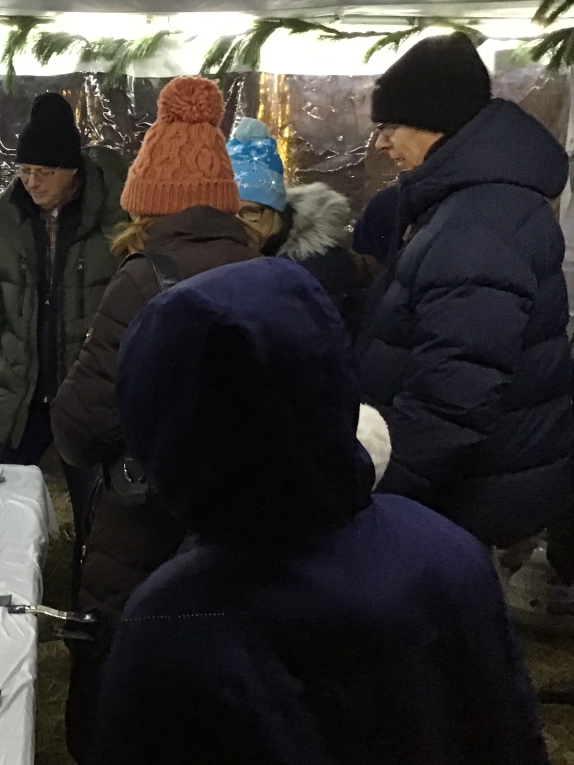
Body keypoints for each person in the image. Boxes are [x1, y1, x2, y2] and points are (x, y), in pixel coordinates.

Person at [94, 257, 549, 765]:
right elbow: (509, 731)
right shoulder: (447, 550)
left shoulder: (176, 618)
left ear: (163, 424)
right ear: (330, 378)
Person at [50, 76, 256, 763]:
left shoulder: (142, 280)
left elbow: (82, 424)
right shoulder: (269, 274)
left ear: (150, 199)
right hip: (239, 534)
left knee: (126, 704)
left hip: (145, 534)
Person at [357, 33, 574, 573]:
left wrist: (379, 484)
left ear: (437, 122)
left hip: (459, 493)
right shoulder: (470, 202)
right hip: (470, 484)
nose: (380, 143)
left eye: (389, 126)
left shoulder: (477, 223)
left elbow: (456, 391)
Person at [0, 92, 126, 531]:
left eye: (44, 172)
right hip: (22, 386)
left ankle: (83, 587)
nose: (32, 182)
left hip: (86, 388)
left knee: (98, 510)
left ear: (73, 170)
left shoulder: (118, 218)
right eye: (25, 170)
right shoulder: (9, 218)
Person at [226, 117, 363, 334]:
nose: (239, 223)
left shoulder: (322, 268)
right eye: (228, 213)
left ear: (278, 209)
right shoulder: (233, 258)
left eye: (251, 211)